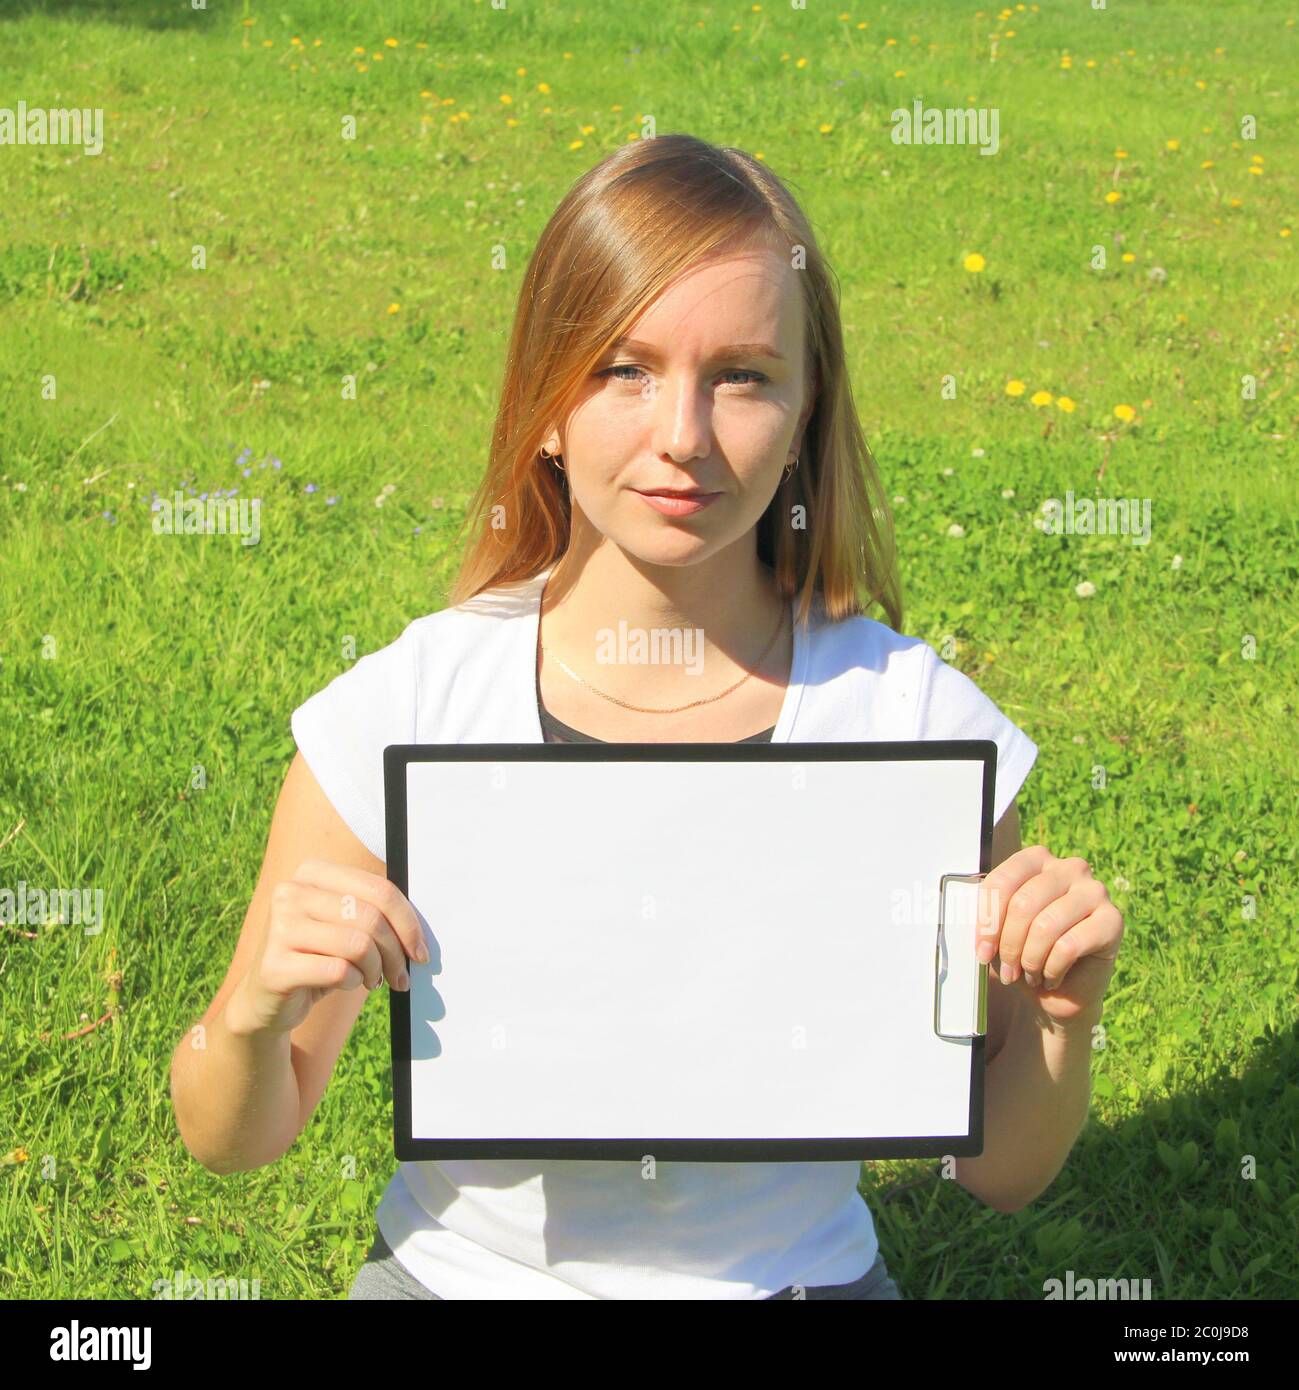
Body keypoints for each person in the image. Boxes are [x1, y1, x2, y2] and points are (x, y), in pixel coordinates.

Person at [169, 133, 1125, 1301]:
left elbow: (1002, 1171)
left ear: (807, 407)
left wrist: (1063, 1019)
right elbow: (233, 1133)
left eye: (743, 375)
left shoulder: (910, 720)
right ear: (546, 406)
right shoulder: (413, 707)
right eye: (623, 368)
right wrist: (255, 1015)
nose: (683, 433)